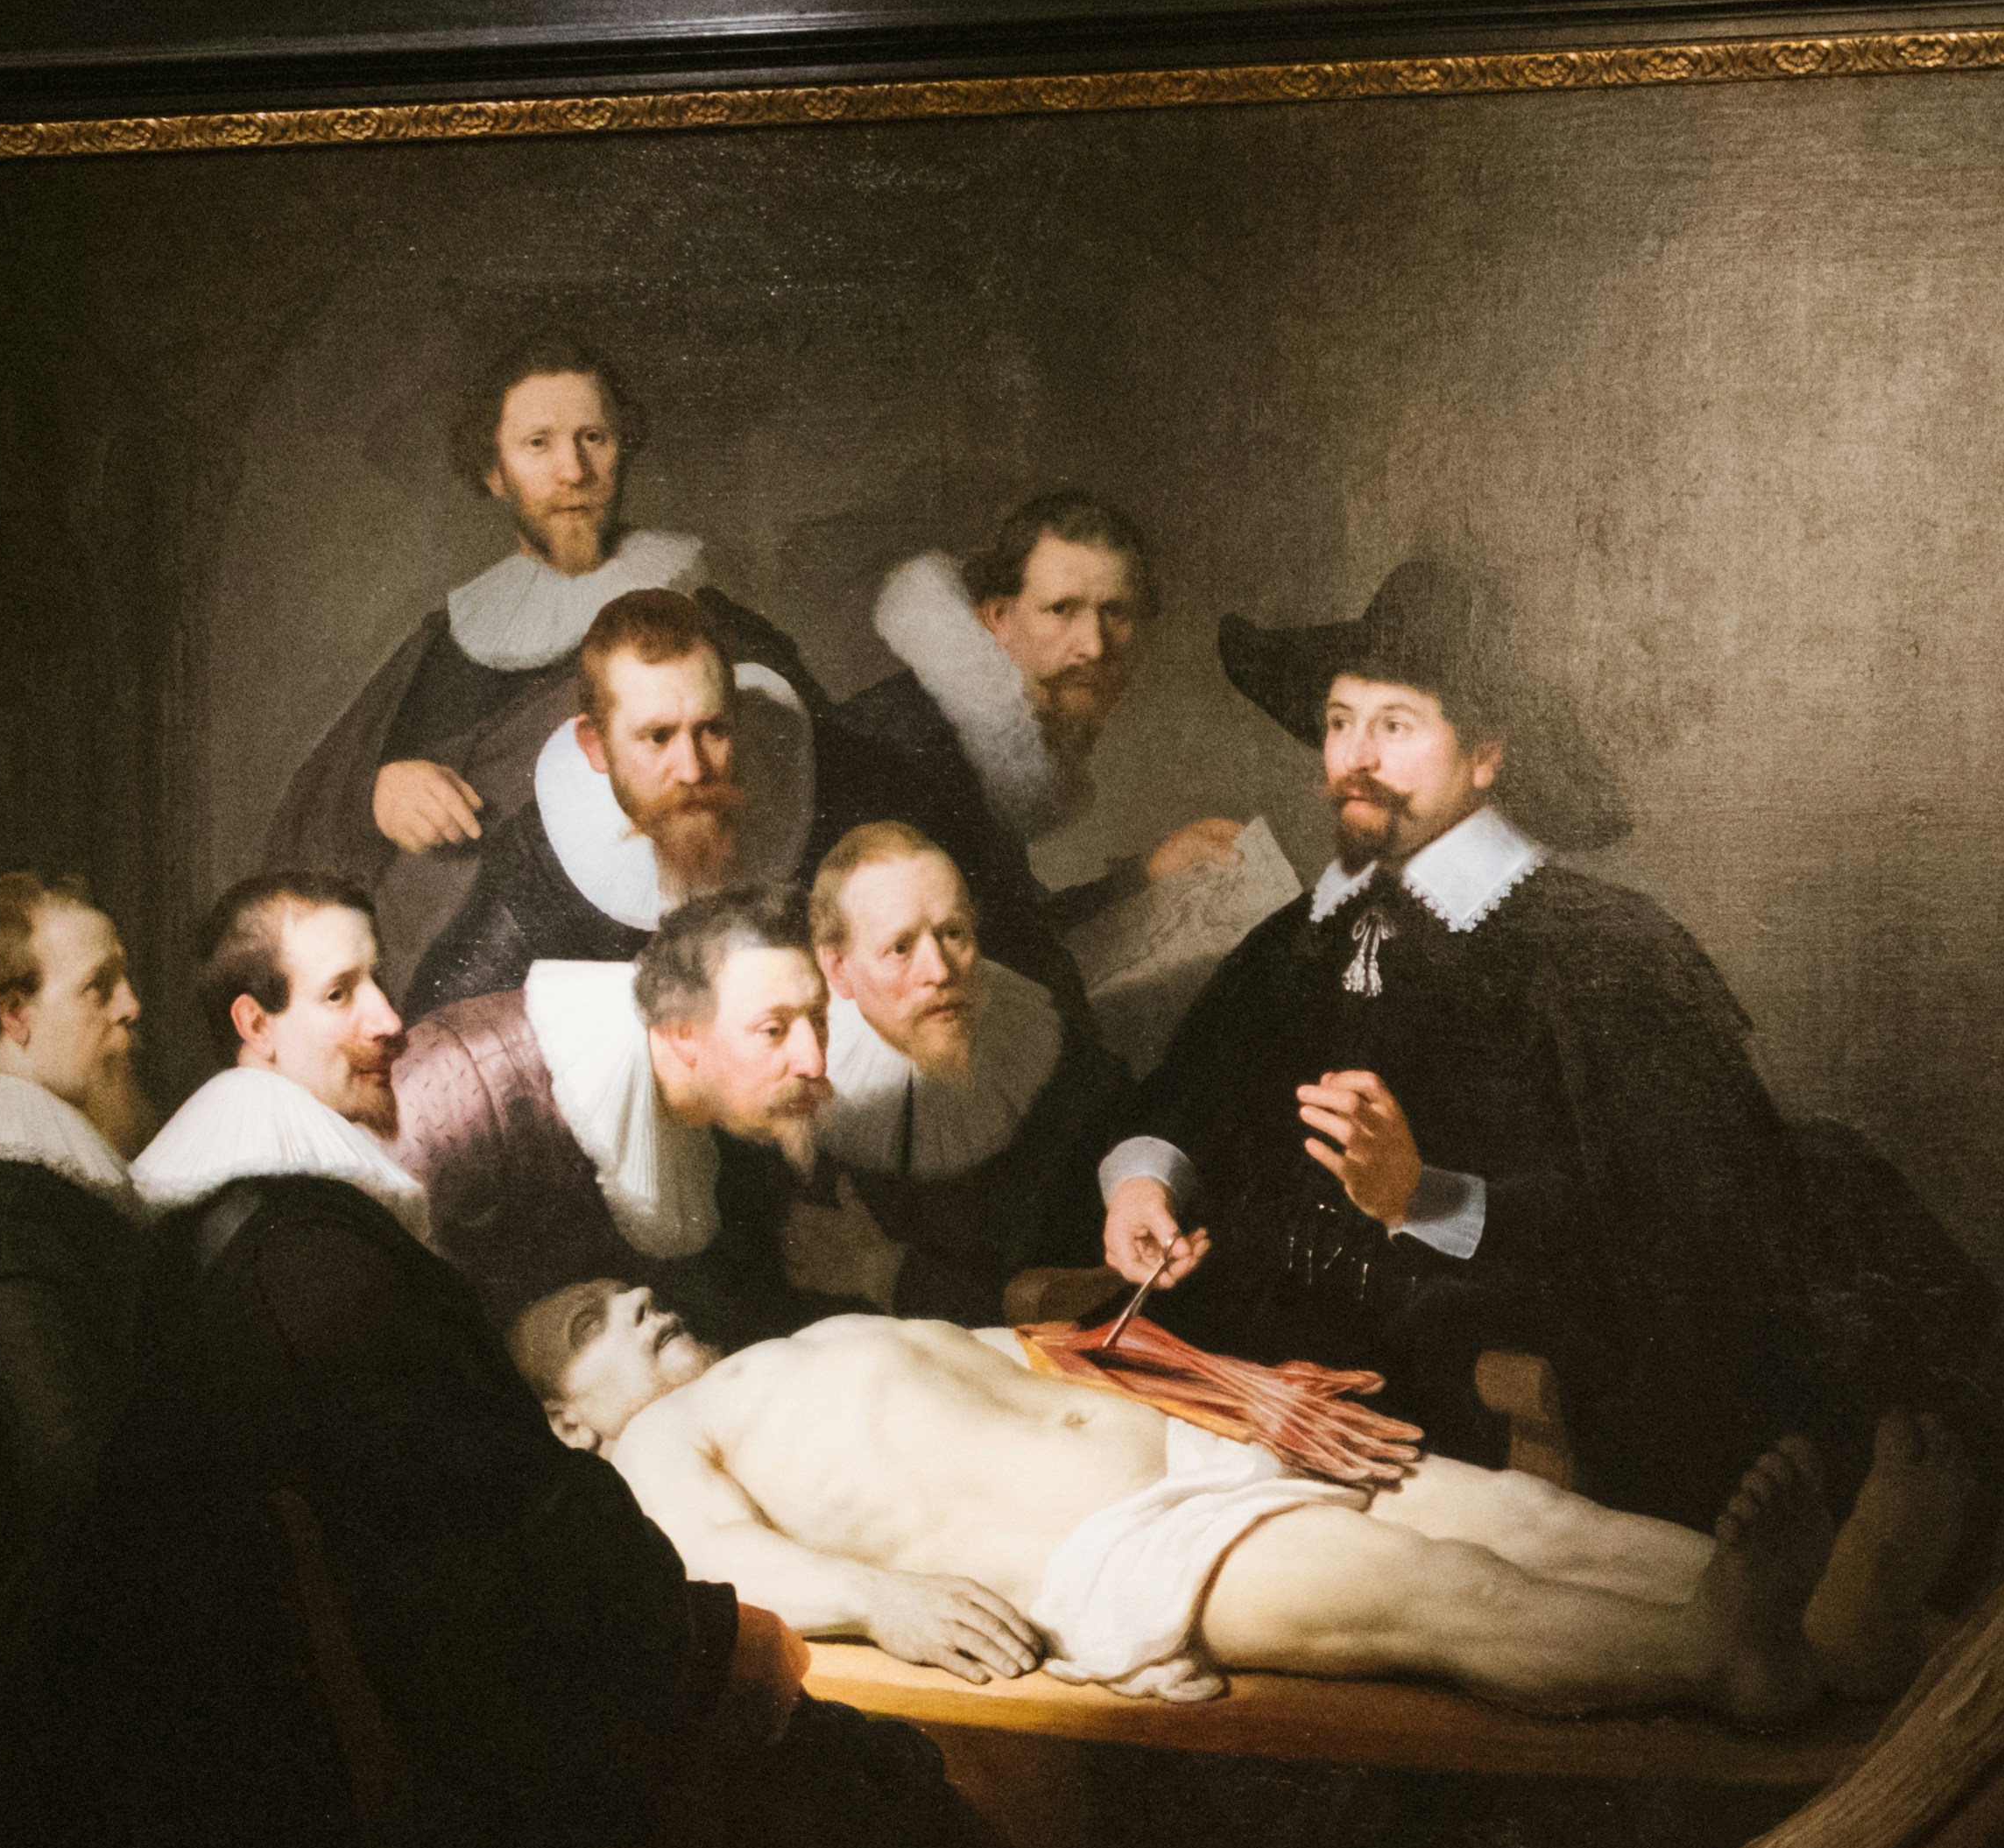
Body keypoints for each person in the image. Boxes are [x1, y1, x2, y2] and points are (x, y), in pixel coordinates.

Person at [0, 876, 971, 1848]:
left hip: (465, 1722)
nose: (391, 1019)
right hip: (464, 1785)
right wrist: (711, 1642)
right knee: (898, 1818)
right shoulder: (307, 1256)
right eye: (343, 993)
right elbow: (502, 1532)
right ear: (254, 1029)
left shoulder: (264, 1229)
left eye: (377, 982)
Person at [1090, 558, 1827, 1531]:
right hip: (1252, 1379)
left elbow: (1680, 1235)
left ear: (1484, 758)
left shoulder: (1604, 954)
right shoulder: (1294, 941)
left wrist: (1422, 1196)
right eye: (1339, 721)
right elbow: (1183, 1096)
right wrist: (1145, 1184)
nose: (1354, 756)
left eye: (1394, 726)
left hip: (1464, 1414)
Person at [514, 1277, 1833, 1728]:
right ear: (569, 1417)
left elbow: (1052, 1354)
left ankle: (1841, 1630)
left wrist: (1235, 1386)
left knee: (1543, 1524)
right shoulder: (650, 1450)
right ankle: (1721, 1654)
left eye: (626, 1286)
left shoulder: (794, 1347)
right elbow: (716, 1560)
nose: (632, 1301)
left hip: (1204, 1456)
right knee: (1451, 1595)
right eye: (591, 1318)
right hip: (1122, 1554)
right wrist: (883, 1598)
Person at [255, 339, 838, 977]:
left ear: (624, 450)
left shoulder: (714, 626)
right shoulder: (445, 643)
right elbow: (300, 833)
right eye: (539, 444)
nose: (573, 471)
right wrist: (377, 793)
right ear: (494, 472)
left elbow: (822, 810)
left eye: (594, 437)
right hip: (445, 977)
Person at [828, 492, 1243, 1026]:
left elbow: (1007, 926)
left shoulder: (974, 739)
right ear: (998, 618)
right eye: (1061, 610)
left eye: (1114, 612)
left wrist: (1146, 874)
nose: (1092, 646)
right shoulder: (911, 754)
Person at [388, 884, 845, 1345]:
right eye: (774, 1030)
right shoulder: (463, 1081)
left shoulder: (729, 1126)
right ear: (681, 1033)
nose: (814, 1062)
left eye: (819, 1020)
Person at [0, 872, 156, 1668]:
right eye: (99, 986)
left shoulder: (36, 1181)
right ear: (15, 1015)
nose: (130, 1006)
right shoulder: (1, 1195)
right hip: (48, 1646)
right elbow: (69, 1478)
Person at [400, 587, 817, 1014]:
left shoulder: (791, 768)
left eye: (713, 729)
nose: (692, 771)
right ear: (595, 746)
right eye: (657, 737)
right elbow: (433, 1033)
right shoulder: (537, 872)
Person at [802, 824, 1125, 1325]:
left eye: (953, 933)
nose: (940, 971)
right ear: (839, 970)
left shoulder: (1032, 1028)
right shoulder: (807, 1098)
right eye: (901, 948)